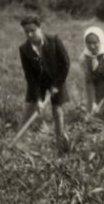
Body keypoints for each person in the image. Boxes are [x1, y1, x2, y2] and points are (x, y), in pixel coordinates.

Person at [18, 15, 71, 151]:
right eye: (26, 32)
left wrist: (57, 86)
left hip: (57, 80)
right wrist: (37, 98)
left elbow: (65, 65)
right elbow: (30, 76)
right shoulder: (24, 49)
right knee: (29, 108)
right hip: (38, 84)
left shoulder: (54, 41)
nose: (29, 34)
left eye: (32, 30)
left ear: (40, 28)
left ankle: (60, 144)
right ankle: (19, 142)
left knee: (57, 111)